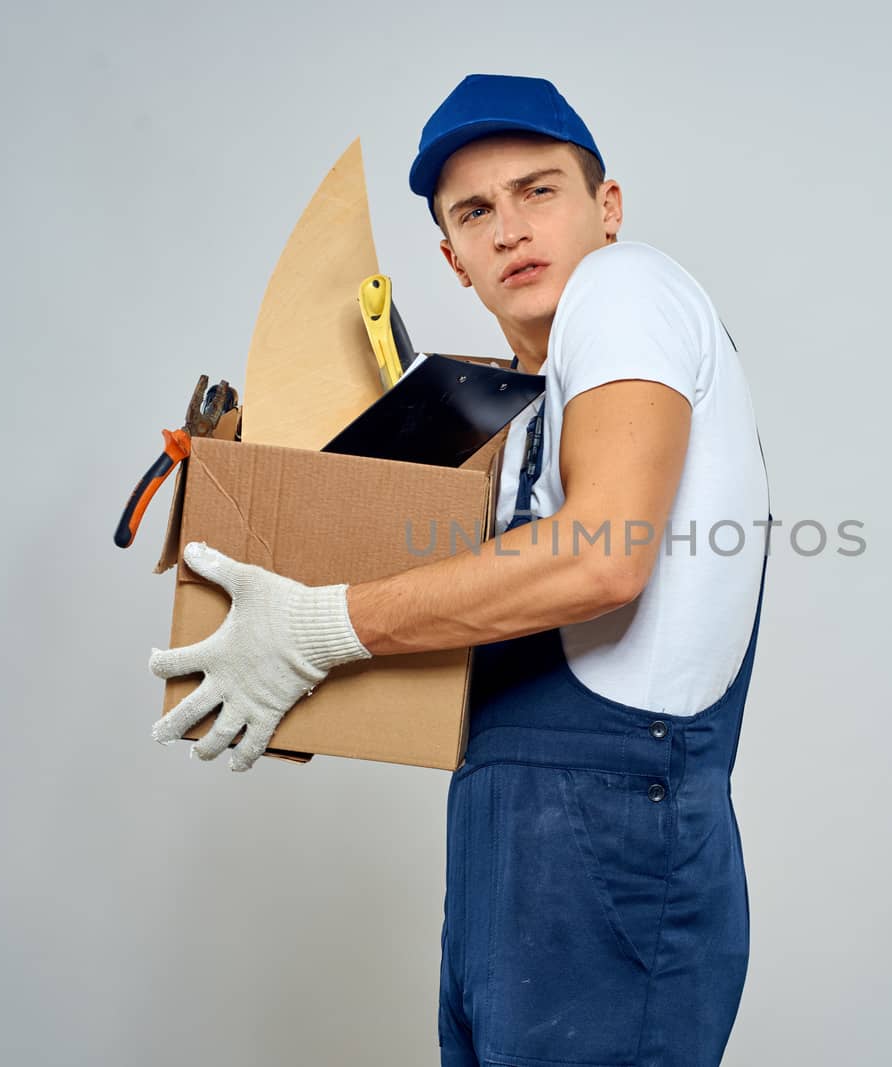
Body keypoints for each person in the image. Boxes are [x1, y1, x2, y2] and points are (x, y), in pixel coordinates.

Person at [148, 73, 772, 1066]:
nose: (512, 228)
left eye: (540, 191)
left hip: (608, 832)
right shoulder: (526, 411)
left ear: (604, 209)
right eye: (476, 211)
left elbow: (601, 555)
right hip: (511, 842)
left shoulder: (629, 288)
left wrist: (322, 624)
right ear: (452, 258)